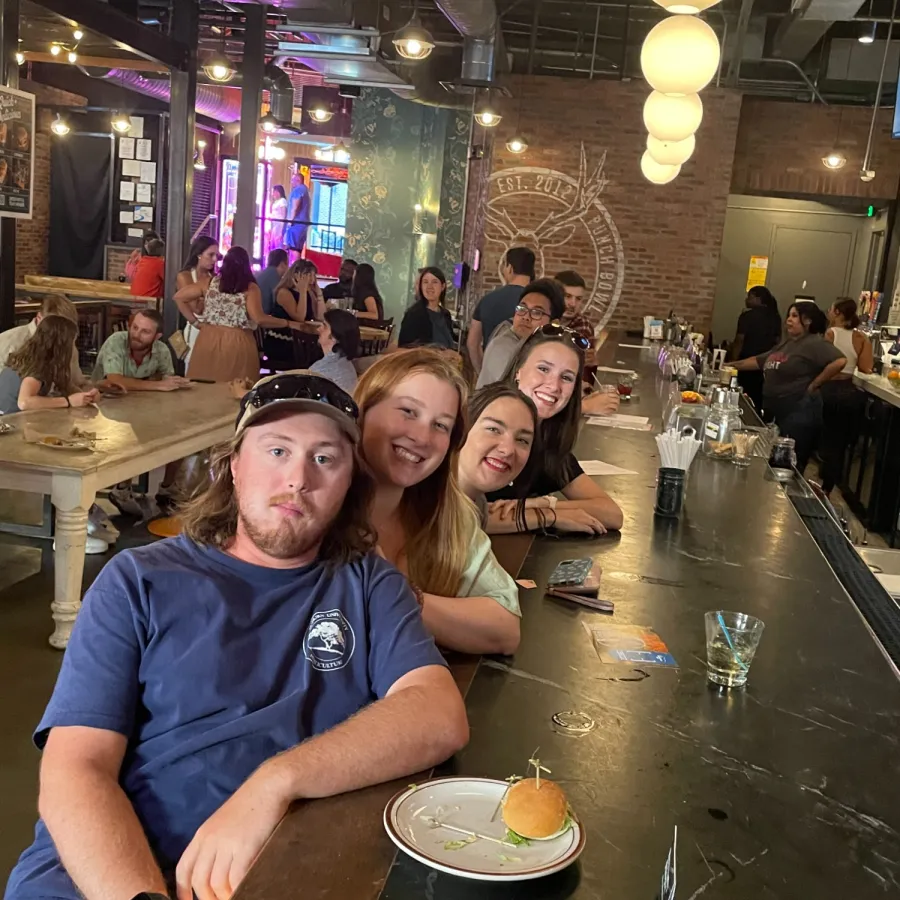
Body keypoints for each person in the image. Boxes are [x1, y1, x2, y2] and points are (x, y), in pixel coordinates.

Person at [5, 371, 468, 900]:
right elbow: (75, 769)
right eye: (276, 450)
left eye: (324, 458)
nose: (298, 479)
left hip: (274, 872)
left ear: (348, 485)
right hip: (100, 872)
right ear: (232, 466)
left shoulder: (367, 584)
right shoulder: (137, 581)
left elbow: (438, 713)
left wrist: (275, 782)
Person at [355, 349, 522, 655]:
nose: (422, 437)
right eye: (408, 411)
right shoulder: (317, 509)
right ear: (364, 409)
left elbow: (505, 630)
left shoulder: (448, 515)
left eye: (441, 425)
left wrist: (399, 597)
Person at [487, 325, 625, 535]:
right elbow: (459, 518)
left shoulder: (547, 442)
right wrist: (548, 516)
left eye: (567, 377)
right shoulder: (482, 425)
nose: (554, 385)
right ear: (518, 370)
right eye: (543, 369)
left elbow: (612, 514)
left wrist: (543, 505)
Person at [731, 302, 847, 474]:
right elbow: (758, 361)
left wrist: (816, 383)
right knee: (775, 464)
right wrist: (728, 365)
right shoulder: (788, 344)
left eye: (794, 316)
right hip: (779, 413)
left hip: (799, 412)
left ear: (807, 321)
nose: (788, 320)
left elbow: (840, 361)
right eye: (788, 316)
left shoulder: (814, 343)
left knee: (788, 467)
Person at [174, 246, 288, 383]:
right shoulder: (250, 288)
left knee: (203, 385)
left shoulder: (210, 283)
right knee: (235, 386)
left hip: (208, 338)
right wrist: (286, 323)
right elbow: (258, 318)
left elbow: (179, 297)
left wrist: (195, 322)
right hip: (238, 340)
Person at [458, 384, 538, 528]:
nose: (507, 450)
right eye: (493, 429)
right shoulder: (426, 506)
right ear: (461, 429)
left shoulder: (477, 503)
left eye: (522, 440)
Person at [819, 297, 873, 494]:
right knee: (839, 443)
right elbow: (866, 368)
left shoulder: (831, 333)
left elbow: (824, 362)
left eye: (830, 309)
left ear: (838, 313)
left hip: (829, 389)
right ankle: (828, 487)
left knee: (824, 437)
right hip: (849, 392)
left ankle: (818, 480)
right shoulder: (861, 338)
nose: (828, 312)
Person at [476, 279, 564, 390]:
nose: (526, 317)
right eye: (522, 309)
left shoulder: (547, 349)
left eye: (537, 312)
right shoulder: (503, 345)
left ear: (554, 324)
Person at [0, 316, 98, 415]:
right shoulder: (38, 366)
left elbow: (65, 386)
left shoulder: (30, 356)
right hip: (11, 422)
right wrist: (68, 401)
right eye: (72, 343)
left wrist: (85, 396)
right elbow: (24, 402)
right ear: (61, 346)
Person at [467, 247, 536, 374]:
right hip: (525, 375)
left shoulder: (487, 300)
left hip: (492, 372)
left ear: (509, 268)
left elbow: (472, 343)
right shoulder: (537, 306)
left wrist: (482, 371)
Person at [93, 309, 188, 392]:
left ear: (157, 337)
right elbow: (115, 381)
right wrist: (157, 385)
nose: (136, 335)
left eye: (145, 332)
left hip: (142, 401)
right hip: (104, 400)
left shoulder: (162, 350)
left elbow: (166, 379)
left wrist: (175, 382)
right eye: (135, 327)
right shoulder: (116, 341)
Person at [0, 293, 82, 387]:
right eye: (55, 327)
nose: (61, 334)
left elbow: (76, 383)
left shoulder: (69, 346)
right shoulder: (9, 342)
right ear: (39, 318)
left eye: (66, 329)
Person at [728, 286, 783, 412]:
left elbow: (739, 340)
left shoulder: (747, 316)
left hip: (746, 361)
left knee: (740, 396)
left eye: (750, 297)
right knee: (757, 399)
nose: (746, 300)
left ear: (758, 298)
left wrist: (732, 362)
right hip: (766, 363)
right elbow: (777, 341)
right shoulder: (775, 317)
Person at [175, 236, 219, 371]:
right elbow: (196, 308)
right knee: (194, 367)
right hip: (196, 327)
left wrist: (201, 296)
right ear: (199, 254)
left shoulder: (215, 278)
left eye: (217, 255)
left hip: (214, 329)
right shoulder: (185, 276)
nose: (215, 260)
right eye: (211, 255)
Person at [398, 266, 456, 350]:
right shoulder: (413, 314)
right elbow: (404, 348)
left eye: (434, 282)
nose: (429, 286)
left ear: (443, 287)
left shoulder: (446, 315)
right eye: (425, 282)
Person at [310, 308, 361, 394]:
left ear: (335, 336)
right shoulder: (346, 364)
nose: (318, 329)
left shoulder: (322, 370)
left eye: (324, 326)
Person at [274, 259, 325, 323]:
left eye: (314, 275)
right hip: (285, 331)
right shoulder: (284, 292)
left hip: (303, 330)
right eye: (308, 275)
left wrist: (319, 294)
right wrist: (302, 291)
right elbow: (299, 318)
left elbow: (320, 318)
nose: (312, 279)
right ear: (296, 275)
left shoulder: (309, 292)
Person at [555, 270, 594, 341]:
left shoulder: (583, 325)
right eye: (567, 296)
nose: (573, 304)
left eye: (578, 298)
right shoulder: (542, 317)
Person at [285, 167, 311, 258]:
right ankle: (297, 269)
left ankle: (294, 269)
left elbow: (295, 206)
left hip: (297, 223)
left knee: (294, 248)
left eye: (293, 180)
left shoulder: (298, 190)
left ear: (298, 180)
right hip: (303, 223)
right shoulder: (305, 190)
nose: (291, 182)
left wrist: (290, 221)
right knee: (298, 248)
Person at [257, 248, 289, 316]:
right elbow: (279, 304)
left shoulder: (263, 273)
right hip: (264, 317)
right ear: (282, 264)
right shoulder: (275, 276)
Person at [269, 184, 288, 252]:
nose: (273, 194)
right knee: (273, 244)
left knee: (278, 244)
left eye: (273, 192)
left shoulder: (282, 201)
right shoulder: (275, 202)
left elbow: (283, 215)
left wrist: (281, 231)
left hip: (279, 225)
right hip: (275, 225)